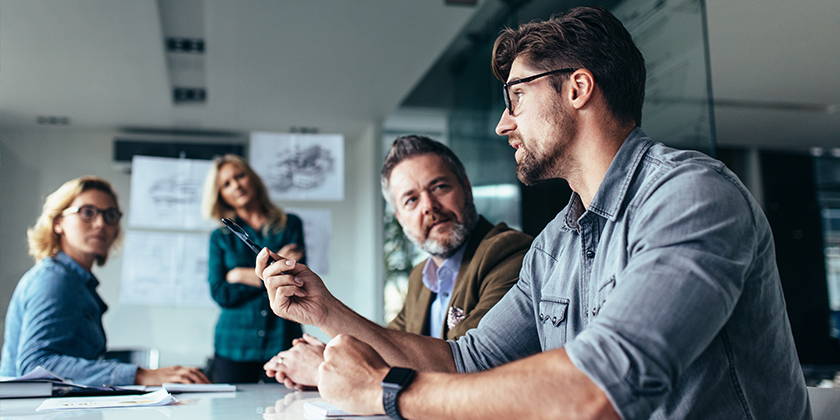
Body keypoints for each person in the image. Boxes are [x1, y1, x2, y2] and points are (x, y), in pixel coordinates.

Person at [257, 6, 810, 420]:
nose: (503, 124)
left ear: (577, 88)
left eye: (516, 97)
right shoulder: (554, 245)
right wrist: (324, 311)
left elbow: (602, 388)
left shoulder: (691, 197)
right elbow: (463, 360)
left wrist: (385, 391)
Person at [262, 135, 533, 389]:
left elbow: (463, 368)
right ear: (400, 217)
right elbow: (387, 348)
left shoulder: (509, 253)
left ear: (466, 187)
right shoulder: (421, 277)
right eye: (411, 200)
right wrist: (332, 354)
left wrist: (325, 367)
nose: (428, 206)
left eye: (439, 187)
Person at [1, 176, 209, 386]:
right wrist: (140, 375)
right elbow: (35, 366)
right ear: (58, 222)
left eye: (110, 216)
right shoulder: (54, 279)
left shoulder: (78, 283)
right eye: (87, 212)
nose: (101, 223)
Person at [202, 154, 305, 383]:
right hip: (234, 344)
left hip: (282, 339)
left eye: (240, 176)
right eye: (226, 184)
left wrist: (238, 275)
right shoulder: (220, 237)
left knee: (286, 411)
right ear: (221, 195)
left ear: (252, 179)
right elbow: (220, 292)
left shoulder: (290, 225)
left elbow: (296, 280)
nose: (236, 185)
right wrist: (272, 274)